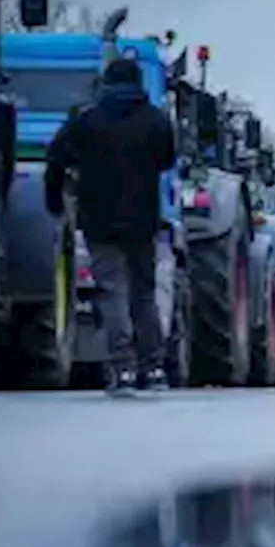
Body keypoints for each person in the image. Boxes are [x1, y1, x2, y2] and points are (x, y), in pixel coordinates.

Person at [45, 58, 176, 395]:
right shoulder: (156, 120)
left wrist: (55, 201)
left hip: (99, 220)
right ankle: (155, 368)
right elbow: (167, 160)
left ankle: (123, 370)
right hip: (143, 220)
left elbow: (57, 158)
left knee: (112, 291)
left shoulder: (87, 120)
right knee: (143, 294)